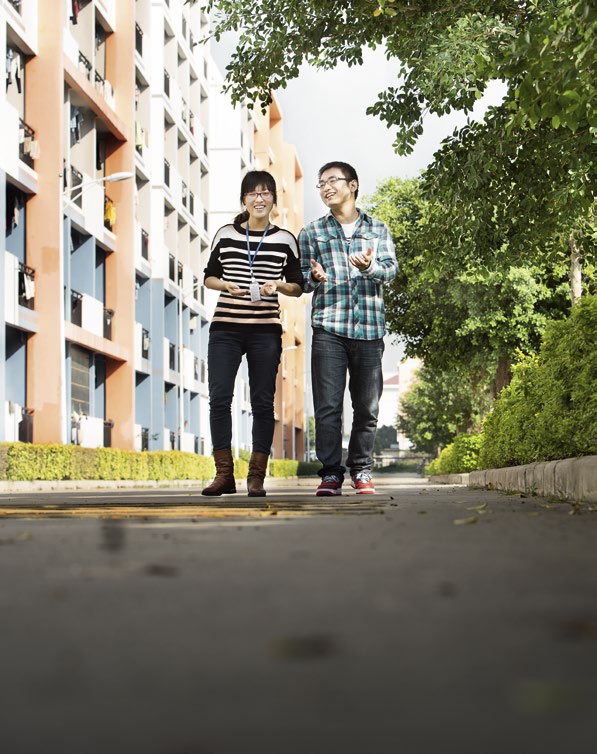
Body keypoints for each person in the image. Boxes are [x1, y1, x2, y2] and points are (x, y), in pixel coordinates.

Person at [202, 170, 304, 497]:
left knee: (263, 402)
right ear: (243, 200)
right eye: (252, 194)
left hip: (265, 331)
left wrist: (278, 285)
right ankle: (223, 474)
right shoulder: (225, 233)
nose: (259, 199)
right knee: (219, 398)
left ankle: (256, 477)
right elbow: (209, 277)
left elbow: (298, 286)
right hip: (225, 328)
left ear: (274, 199)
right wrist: (225, 285)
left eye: (265, 193)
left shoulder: (286, 239)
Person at [299, 161, 398, 496]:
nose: (326, 188)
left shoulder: (378, 229)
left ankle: (362, 470)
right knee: (328, 406)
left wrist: (370, 267)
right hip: (329, 327)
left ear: (352, 185)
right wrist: (312, 277)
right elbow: (300, 280)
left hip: (369, 329)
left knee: (367, 407)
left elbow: (390, 271)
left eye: (333, 181)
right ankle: (330, 474)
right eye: (321, 183)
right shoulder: (312, 232)